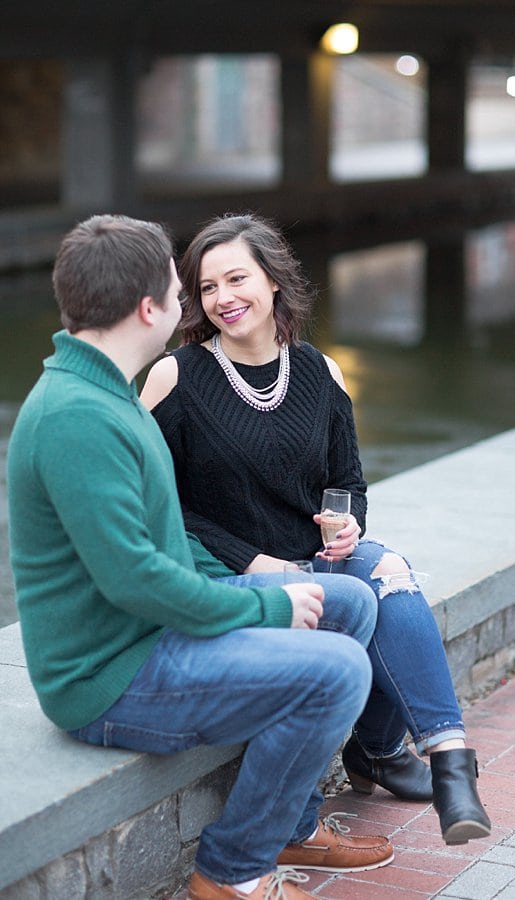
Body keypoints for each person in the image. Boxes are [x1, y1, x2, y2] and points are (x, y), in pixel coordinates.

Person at [7, 214, 397, 900]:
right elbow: (136, 580)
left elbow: (167, 546)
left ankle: (293, 823)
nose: (195, 302)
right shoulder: (77, 415)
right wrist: (264, 601)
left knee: (351, 603)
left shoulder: (108, 390)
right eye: (180, 288)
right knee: (336, 672)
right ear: (149, 308)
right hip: (108, 672)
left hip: (150, 632)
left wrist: (258, 580)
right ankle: (233, 871)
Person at [141, 212, 492, 847]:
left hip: (315, 558)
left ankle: (449, 761)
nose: (224, 299)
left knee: (387, 570)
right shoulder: (176, 375)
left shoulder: (320, 373)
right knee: (363, 597)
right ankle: (382, 755)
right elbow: (153, 501)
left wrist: (348, 526)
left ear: (273, 280)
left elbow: (350, 480)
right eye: (208, 287)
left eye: (237, 279)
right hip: (233, 573)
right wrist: (250, 559)